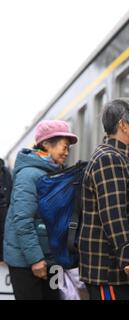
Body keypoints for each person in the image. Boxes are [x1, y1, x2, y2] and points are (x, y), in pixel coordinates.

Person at [78, 98, 129, 300]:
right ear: (123, 124)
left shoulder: (121, 156)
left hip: (120, 269)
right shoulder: (109, 159)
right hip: (110, 270)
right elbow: (113, 216)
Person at [3, 120, 78, 300]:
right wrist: (35, 259)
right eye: (64, 147)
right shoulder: (29, 174)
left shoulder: (53, 173)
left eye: (69, 148)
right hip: (27, 263)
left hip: (50, 259)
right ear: (46, 144)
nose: (67, 153)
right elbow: (22, 220)